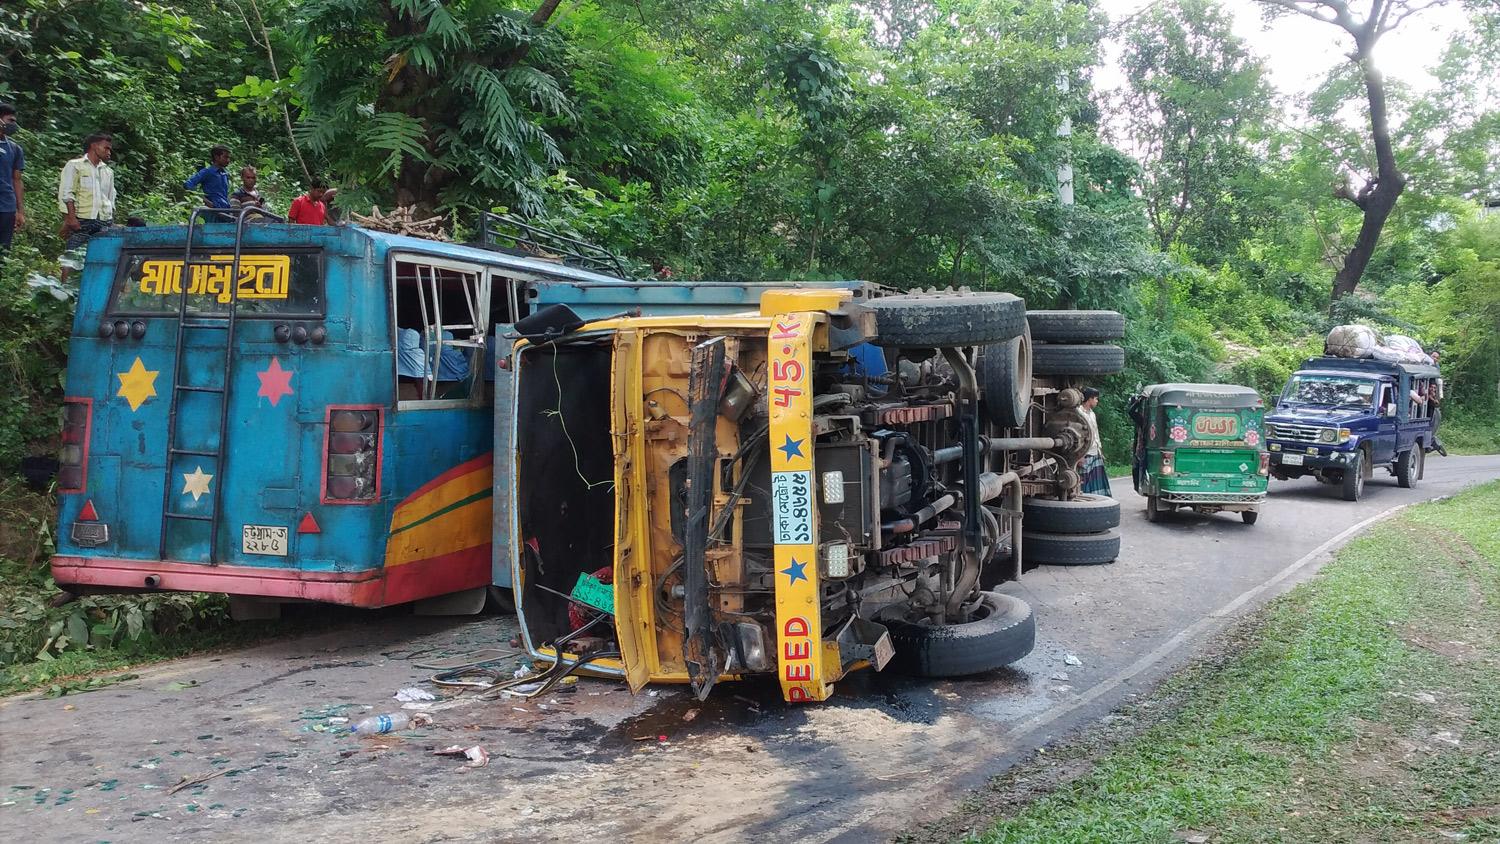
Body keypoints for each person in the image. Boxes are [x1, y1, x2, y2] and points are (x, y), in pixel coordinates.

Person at [58, 132, 116, 254]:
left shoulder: (108, 171)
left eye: (110, 149)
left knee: (100, 254)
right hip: (83, 219)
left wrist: (111, 220)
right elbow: (67, 194)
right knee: (72, 254)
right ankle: (67, 273)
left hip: (104, 219)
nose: (109, 152)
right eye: (106, 148)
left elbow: (111, 198)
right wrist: (71, 219)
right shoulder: (75, 165)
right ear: (94, 146)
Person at [0, 103, 25, 252]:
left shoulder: (15, 148)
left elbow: (17, 180)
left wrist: (20, 211)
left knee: (4, 249)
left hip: (6, 205)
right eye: (10, 120)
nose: (13, 125)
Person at [1077, 386, 1111, 497]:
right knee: (1084, 481)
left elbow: (1095, 433)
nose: (1097, 401)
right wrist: (1079, 456)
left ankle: (1098, 499)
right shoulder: (1078, 413)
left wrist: (1099, 449)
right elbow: (1078, 435)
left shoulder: (1092, 413)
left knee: (1096, 481)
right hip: (1085, 453)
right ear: (1090, 399)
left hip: (1094, 451)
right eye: (1096, 399)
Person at [183, 145, 231, 212]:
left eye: (229, 158)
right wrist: (206, 201)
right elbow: (188, 184)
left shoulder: (225, 174)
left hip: (225, 209)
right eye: (225, 157)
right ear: (217, 157)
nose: (228, 160)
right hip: (212, 211)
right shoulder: (207, 172)